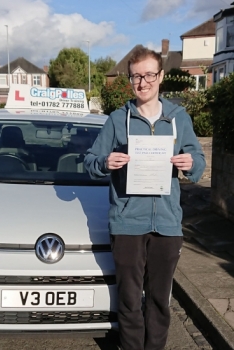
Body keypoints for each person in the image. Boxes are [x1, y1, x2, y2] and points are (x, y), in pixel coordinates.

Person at [84, 47, 206, 350]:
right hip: (127, 223)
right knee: (129, 302)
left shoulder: (178, 119)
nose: (143, 82)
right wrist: (104, 163)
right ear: (130, 79)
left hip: (166, 224)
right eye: (136, 76)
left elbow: (199, 162)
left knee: (159, 301)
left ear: (161, 76)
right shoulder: (116, 120)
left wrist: (191, 164)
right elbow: (89, 162)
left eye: (149, 74)